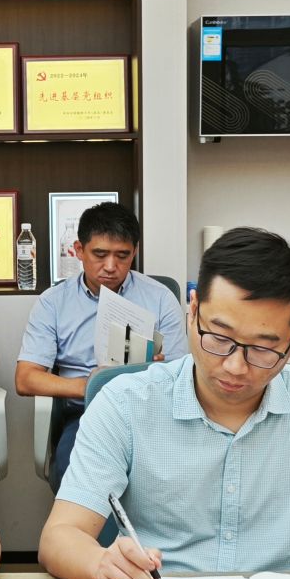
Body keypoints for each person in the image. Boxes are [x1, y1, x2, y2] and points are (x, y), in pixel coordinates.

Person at [40, 226, 290, 579]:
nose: (236, 367)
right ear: (193, 311)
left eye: (263, 349)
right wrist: (101, 564)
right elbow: (61, 536)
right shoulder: (125, 403)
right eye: (219, 338)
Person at [15, 201, 189, 490]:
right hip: (86, 412)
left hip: (148, 411)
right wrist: (90, 386)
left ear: (135, 251)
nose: (111, 266)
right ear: (79, 250)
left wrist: (159, 370)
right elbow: (26, 379)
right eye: (99, 254)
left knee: (172, 477)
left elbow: (182, 374)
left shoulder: (160, 298)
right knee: (77, 478)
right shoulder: (53, 302)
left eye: (122, 255)